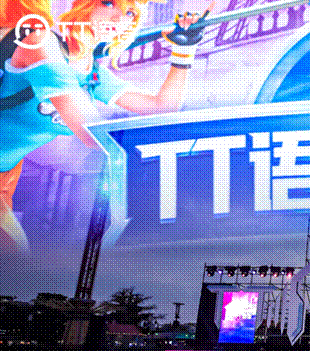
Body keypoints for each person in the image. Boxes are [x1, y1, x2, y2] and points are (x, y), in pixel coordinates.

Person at [0, 0, 209, 252]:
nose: (118, 18)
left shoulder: (90, 73)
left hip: (4, 179)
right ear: (85, 4)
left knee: (15, 258)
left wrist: (184, 51)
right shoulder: (40, 43)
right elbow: (92, 131)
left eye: (129, 13)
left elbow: (161, 108)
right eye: (108, 3)